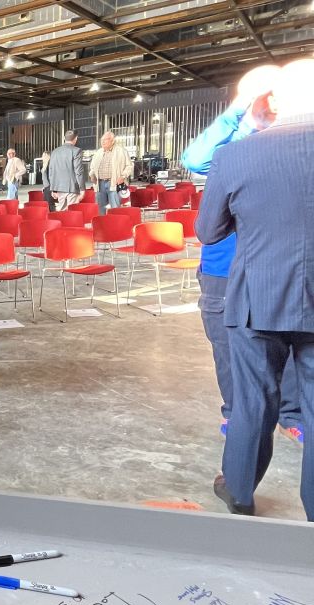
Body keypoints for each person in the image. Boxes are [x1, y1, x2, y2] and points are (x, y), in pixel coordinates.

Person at [195, 58, 314, 520]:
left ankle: (241, 494)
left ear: (275, 101)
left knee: (252, 402)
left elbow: (208, 231)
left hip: (256, 300)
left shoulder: (237, 154)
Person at [182, 63, 304, 446]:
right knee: (230, 349)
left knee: (293, 345)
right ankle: (238, 415)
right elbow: (195, 160)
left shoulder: (299, 138)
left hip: (279, 264)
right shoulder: (235, 145)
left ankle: (290, 413)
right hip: (225, 269)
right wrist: (241, 113)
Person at [88, 131, 133, 215]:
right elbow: (92, 167)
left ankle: (115, 226)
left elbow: (129, 166)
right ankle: (102, 226)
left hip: (114, 183)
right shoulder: (98, 153)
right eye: (102, 140)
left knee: (115, 208)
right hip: (100, 184)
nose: (103, 141)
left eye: (106, 139)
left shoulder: (121, 151)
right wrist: (92, 175)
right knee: (100, 208)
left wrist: (123, 176)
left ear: (112, 141)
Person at [46, 130, 86, 210]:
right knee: (71, 213)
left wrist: (53, 189)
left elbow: (51, 171)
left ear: (65, 138)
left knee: (61, 213)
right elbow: (79, 172)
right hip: (72, 188)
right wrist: (82, 188)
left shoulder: (55, 152)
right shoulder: (76, 151)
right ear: (76, 138)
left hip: (59, 188)